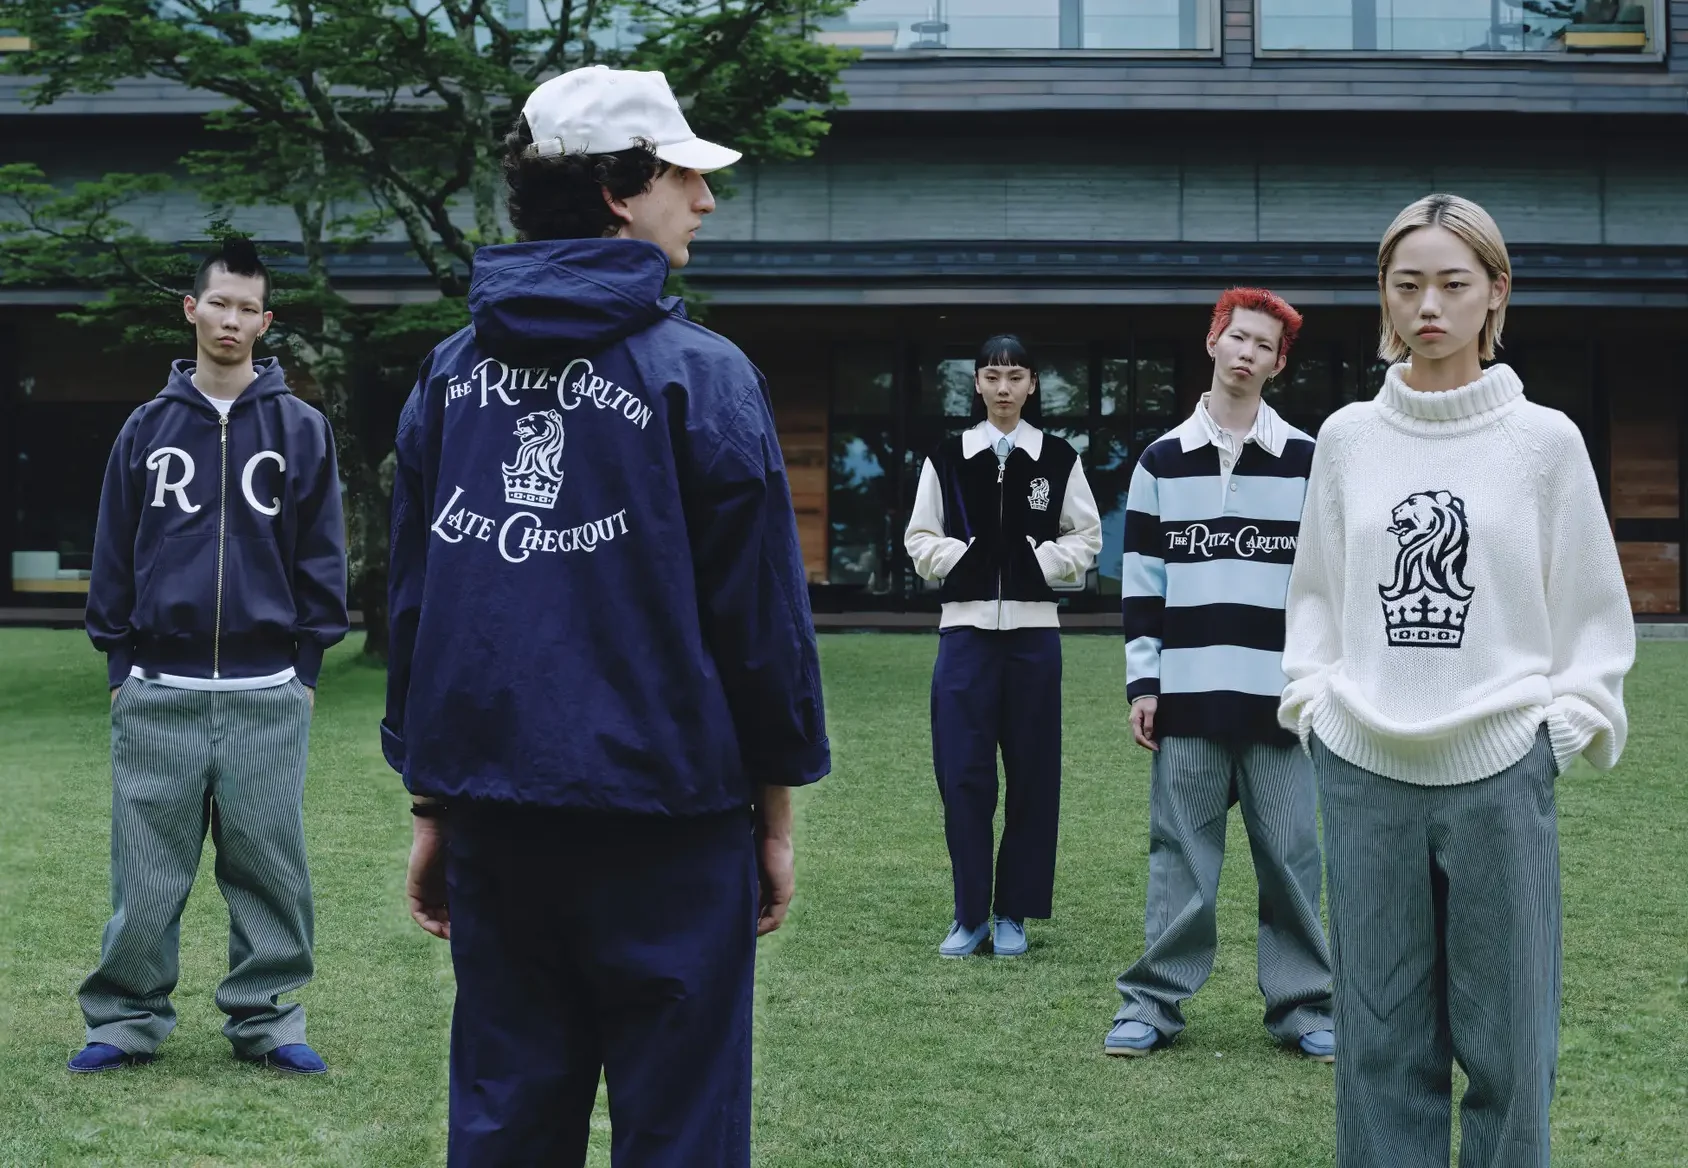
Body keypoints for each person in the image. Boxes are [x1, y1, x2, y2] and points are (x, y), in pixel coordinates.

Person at [383, 65, 828, 1166]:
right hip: (670, 831)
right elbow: (761, 627)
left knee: (506, 1126)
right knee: (681, 1132)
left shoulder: (447, 377)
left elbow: (418, 613)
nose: (706, 200)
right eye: (684, 175)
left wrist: (435, 803)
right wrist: (773, 818)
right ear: (619, 192)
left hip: (500, 824)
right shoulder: (704, 377)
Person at [1280, 194, 1634, 1167]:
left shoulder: (1544, 442)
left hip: (1501, 771)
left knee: (1511, 1046)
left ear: (1495, 292)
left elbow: (1592, 608)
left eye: (1451, 283)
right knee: (1376, 1043)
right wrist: (1314, 703)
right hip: (1363, 767)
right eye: (1407, 285)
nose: (1427, 306)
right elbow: (1316, 593)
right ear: (1384, 298)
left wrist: (1563, 725)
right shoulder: (1346, 439)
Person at [74, 238, 348, 1075]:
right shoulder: (146, 428)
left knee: (270, 866)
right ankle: (125, 1020)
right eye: (218, 303)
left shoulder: (301, 429)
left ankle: (268, 1020)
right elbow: (114, 549)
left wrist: (307, 668)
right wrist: (119, 667)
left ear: (266, 322)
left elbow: (321, 554)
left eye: (247, 308)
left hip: (268, 690)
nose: (231, 320)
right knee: (146, 869)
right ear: (192, 310)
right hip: (159, 687)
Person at [1103, 289, 1336, 1062]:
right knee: (1181, 860)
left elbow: (1324, 587)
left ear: (1278, 363)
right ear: (1213, 342)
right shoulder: (1160, 461)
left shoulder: (1307, 459)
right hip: (1189, 696)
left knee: (1292, 860)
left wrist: (1316, 684)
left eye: (1264, 345)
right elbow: (1143, 583)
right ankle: (1151, 1005)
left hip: (1281, 703)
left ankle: (1305, 1007)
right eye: (1237, 337)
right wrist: (1145, 684)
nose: (1247, 352)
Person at [904, 335, 1102, 959]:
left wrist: (1039, 562)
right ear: (977, 383)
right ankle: (969, 915)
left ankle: (1013, 911)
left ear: (1032, 384)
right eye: (992, 376)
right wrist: (965, 558)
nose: (1004, 388)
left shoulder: (1057, 458)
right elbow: (919, 537)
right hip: (963, 638)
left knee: (1033, 775)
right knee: (962, 774)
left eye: (1016, 376)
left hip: (1034, 639)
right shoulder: (948, 457)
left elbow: (1087, 537)